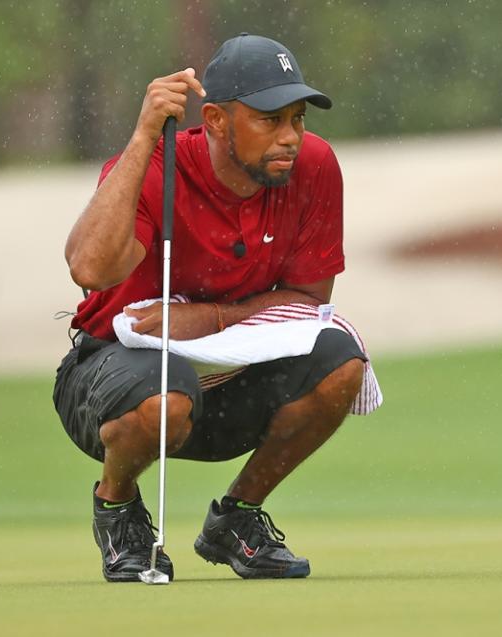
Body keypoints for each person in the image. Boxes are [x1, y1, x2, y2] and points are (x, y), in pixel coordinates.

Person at [54, 33, 369, 582]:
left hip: (228, 382)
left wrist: (213, 318)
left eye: (297, 118)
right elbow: (90, 268)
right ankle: (118, 508)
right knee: (166, 398)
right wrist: (142, 137)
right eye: (270, 120)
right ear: (217, 121)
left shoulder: (314, 167)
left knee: (339, 360)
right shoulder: (155, 165)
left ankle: (236, 519)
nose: (291, 137)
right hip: (110, 381)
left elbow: (310, 302)